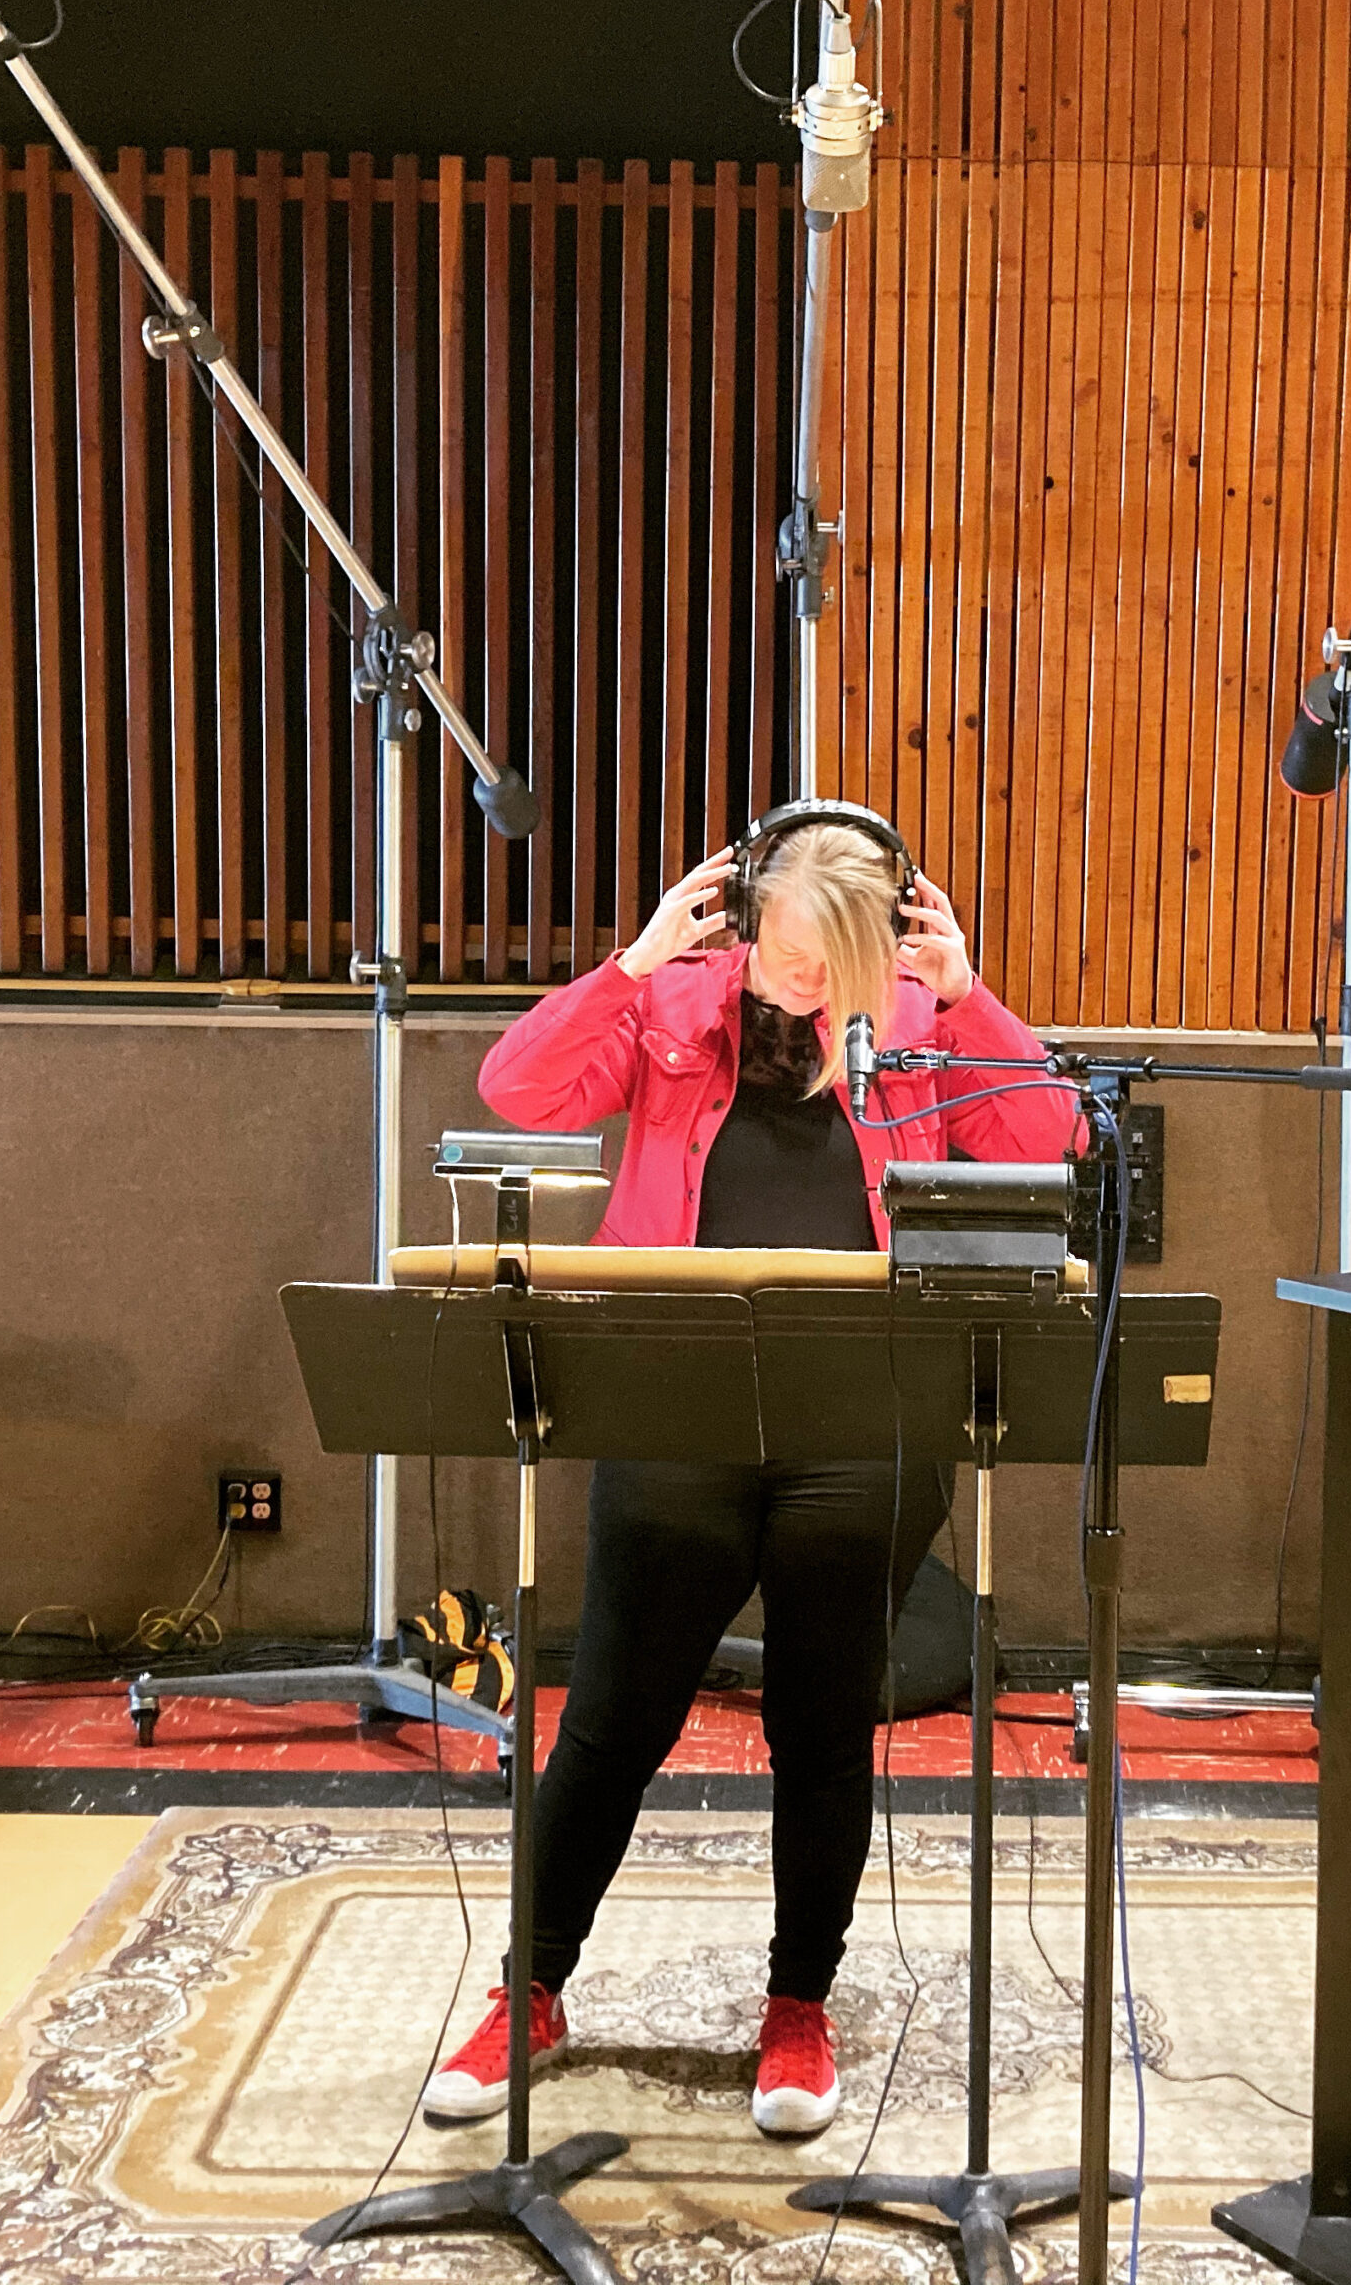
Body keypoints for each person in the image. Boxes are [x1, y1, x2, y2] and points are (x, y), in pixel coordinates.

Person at [423, 812, 1078, 2139]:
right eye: (778, 952)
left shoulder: (921, 1018)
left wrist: (970, 1000)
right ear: (745, 919)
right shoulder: (681, 1001)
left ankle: (799, 2008)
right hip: (678, 1409)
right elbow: (519, 1090)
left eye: (825, 964)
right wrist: (629, 964)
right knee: (613, 1720)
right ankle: (528, 1990)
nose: (796, 983)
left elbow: (1047, 1148)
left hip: (866, 1426)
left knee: (822, 1730)